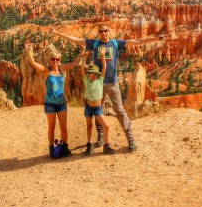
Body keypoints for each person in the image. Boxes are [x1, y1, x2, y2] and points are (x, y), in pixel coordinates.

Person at [49, 24, 165, 152]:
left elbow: (136, 41)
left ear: (109, 32)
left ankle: (130, 138)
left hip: (113, 83)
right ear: (98, 33)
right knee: (99, 110)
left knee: (119, 110)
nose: (104, 33)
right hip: (99, 83)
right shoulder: (94, 44)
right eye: (101, 31)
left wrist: (155, 39)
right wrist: (57, 33)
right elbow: (75, 40)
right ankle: (100, 136)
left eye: (105, 31)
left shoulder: (116, 44)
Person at [25, 40, 84, 159]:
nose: (55, 61)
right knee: (51, 127)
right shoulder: (47, 72)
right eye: (53, 59)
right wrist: (28, 51)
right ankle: (51, 148)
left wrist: (81, 52)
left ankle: (65, 147)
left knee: (63, 128)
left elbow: (74, 63)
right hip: (50, 104)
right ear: (50, 60)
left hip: (61, 103)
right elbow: (33, 63)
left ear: (60, 60)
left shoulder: (63, 69)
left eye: (57, 59)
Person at [81, 45, 116, 155]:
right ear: (89, 74)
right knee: (89, 126)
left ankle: (106, 145)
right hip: (88, 107)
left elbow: (104, 68)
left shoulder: (100, 80)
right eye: (91, 74)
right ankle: (89, 144)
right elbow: (82, 69)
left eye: (95, 74)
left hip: (97, 108)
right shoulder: (86, 80)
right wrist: (84, 59)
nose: (93, 76)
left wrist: (103, 55)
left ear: (97, 74)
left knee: (106, 126)